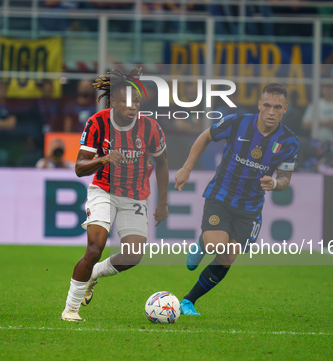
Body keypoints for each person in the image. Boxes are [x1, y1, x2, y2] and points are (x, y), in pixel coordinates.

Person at [174, 83, 299, 316]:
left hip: (250, 207)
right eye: (268, 106)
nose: (272, 111)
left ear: (285, 109)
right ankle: (203, 243)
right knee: (216, 245)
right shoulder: (237, 122)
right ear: (260, 105)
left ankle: (188, 301)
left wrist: (276, 184)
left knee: (228, 256)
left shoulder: (290, 142)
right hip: (221, 194)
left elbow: (284, 178)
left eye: (277, 107)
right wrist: (187, 167)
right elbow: (206, 136)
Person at [61, 68, 169, 322]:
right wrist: (105, 158)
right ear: (113, 102)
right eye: (127, 102)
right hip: (104, 190)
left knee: (133, 255)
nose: (133, 107)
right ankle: (70, 309)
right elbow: (79, 167)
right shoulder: (97, 122)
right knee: (95, 247)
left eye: (137, 102)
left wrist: (162, 202)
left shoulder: (151, 128)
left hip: (135, 195)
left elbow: (162, 164)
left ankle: (95, 274)